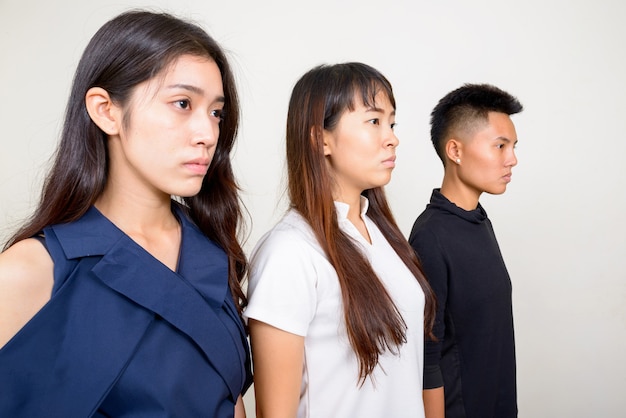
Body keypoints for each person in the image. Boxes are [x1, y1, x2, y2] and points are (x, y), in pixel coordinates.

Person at [0, 10, 252, 417]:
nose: (208, 134)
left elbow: (231, 401)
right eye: (182, 103)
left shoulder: (211, 252)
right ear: (106, 111)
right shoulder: (29, 272)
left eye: (216, 113)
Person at [244, 62, 437, 418]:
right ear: (321, 139)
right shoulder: (289, 253)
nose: (392, 137)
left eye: (392, 123)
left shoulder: (383, 236)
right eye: (374, 121)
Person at [409, 83, 523, 418]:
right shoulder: (431, 237)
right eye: (500, 146)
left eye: (513, 146)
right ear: (455, 151)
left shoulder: (478, 220)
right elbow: (427, 356)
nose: (512, 159)